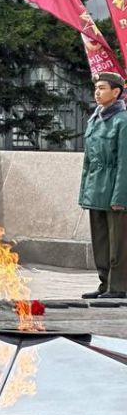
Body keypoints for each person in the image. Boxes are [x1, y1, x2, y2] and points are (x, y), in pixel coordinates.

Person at [79, 71, 127, 299]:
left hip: (114, 189)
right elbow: (88, 161)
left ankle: (118, 287)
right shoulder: (95, 119)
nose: (97, 93)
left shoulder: (123, 122)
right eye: (96, 88)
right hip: (95, 189)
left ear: (116, 92)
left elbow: (124, 163)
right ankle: (104, 283)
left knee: (118, 242)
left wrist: (120, 197)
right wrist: (84, 193)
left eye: (103, 88)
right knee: (100, 240)